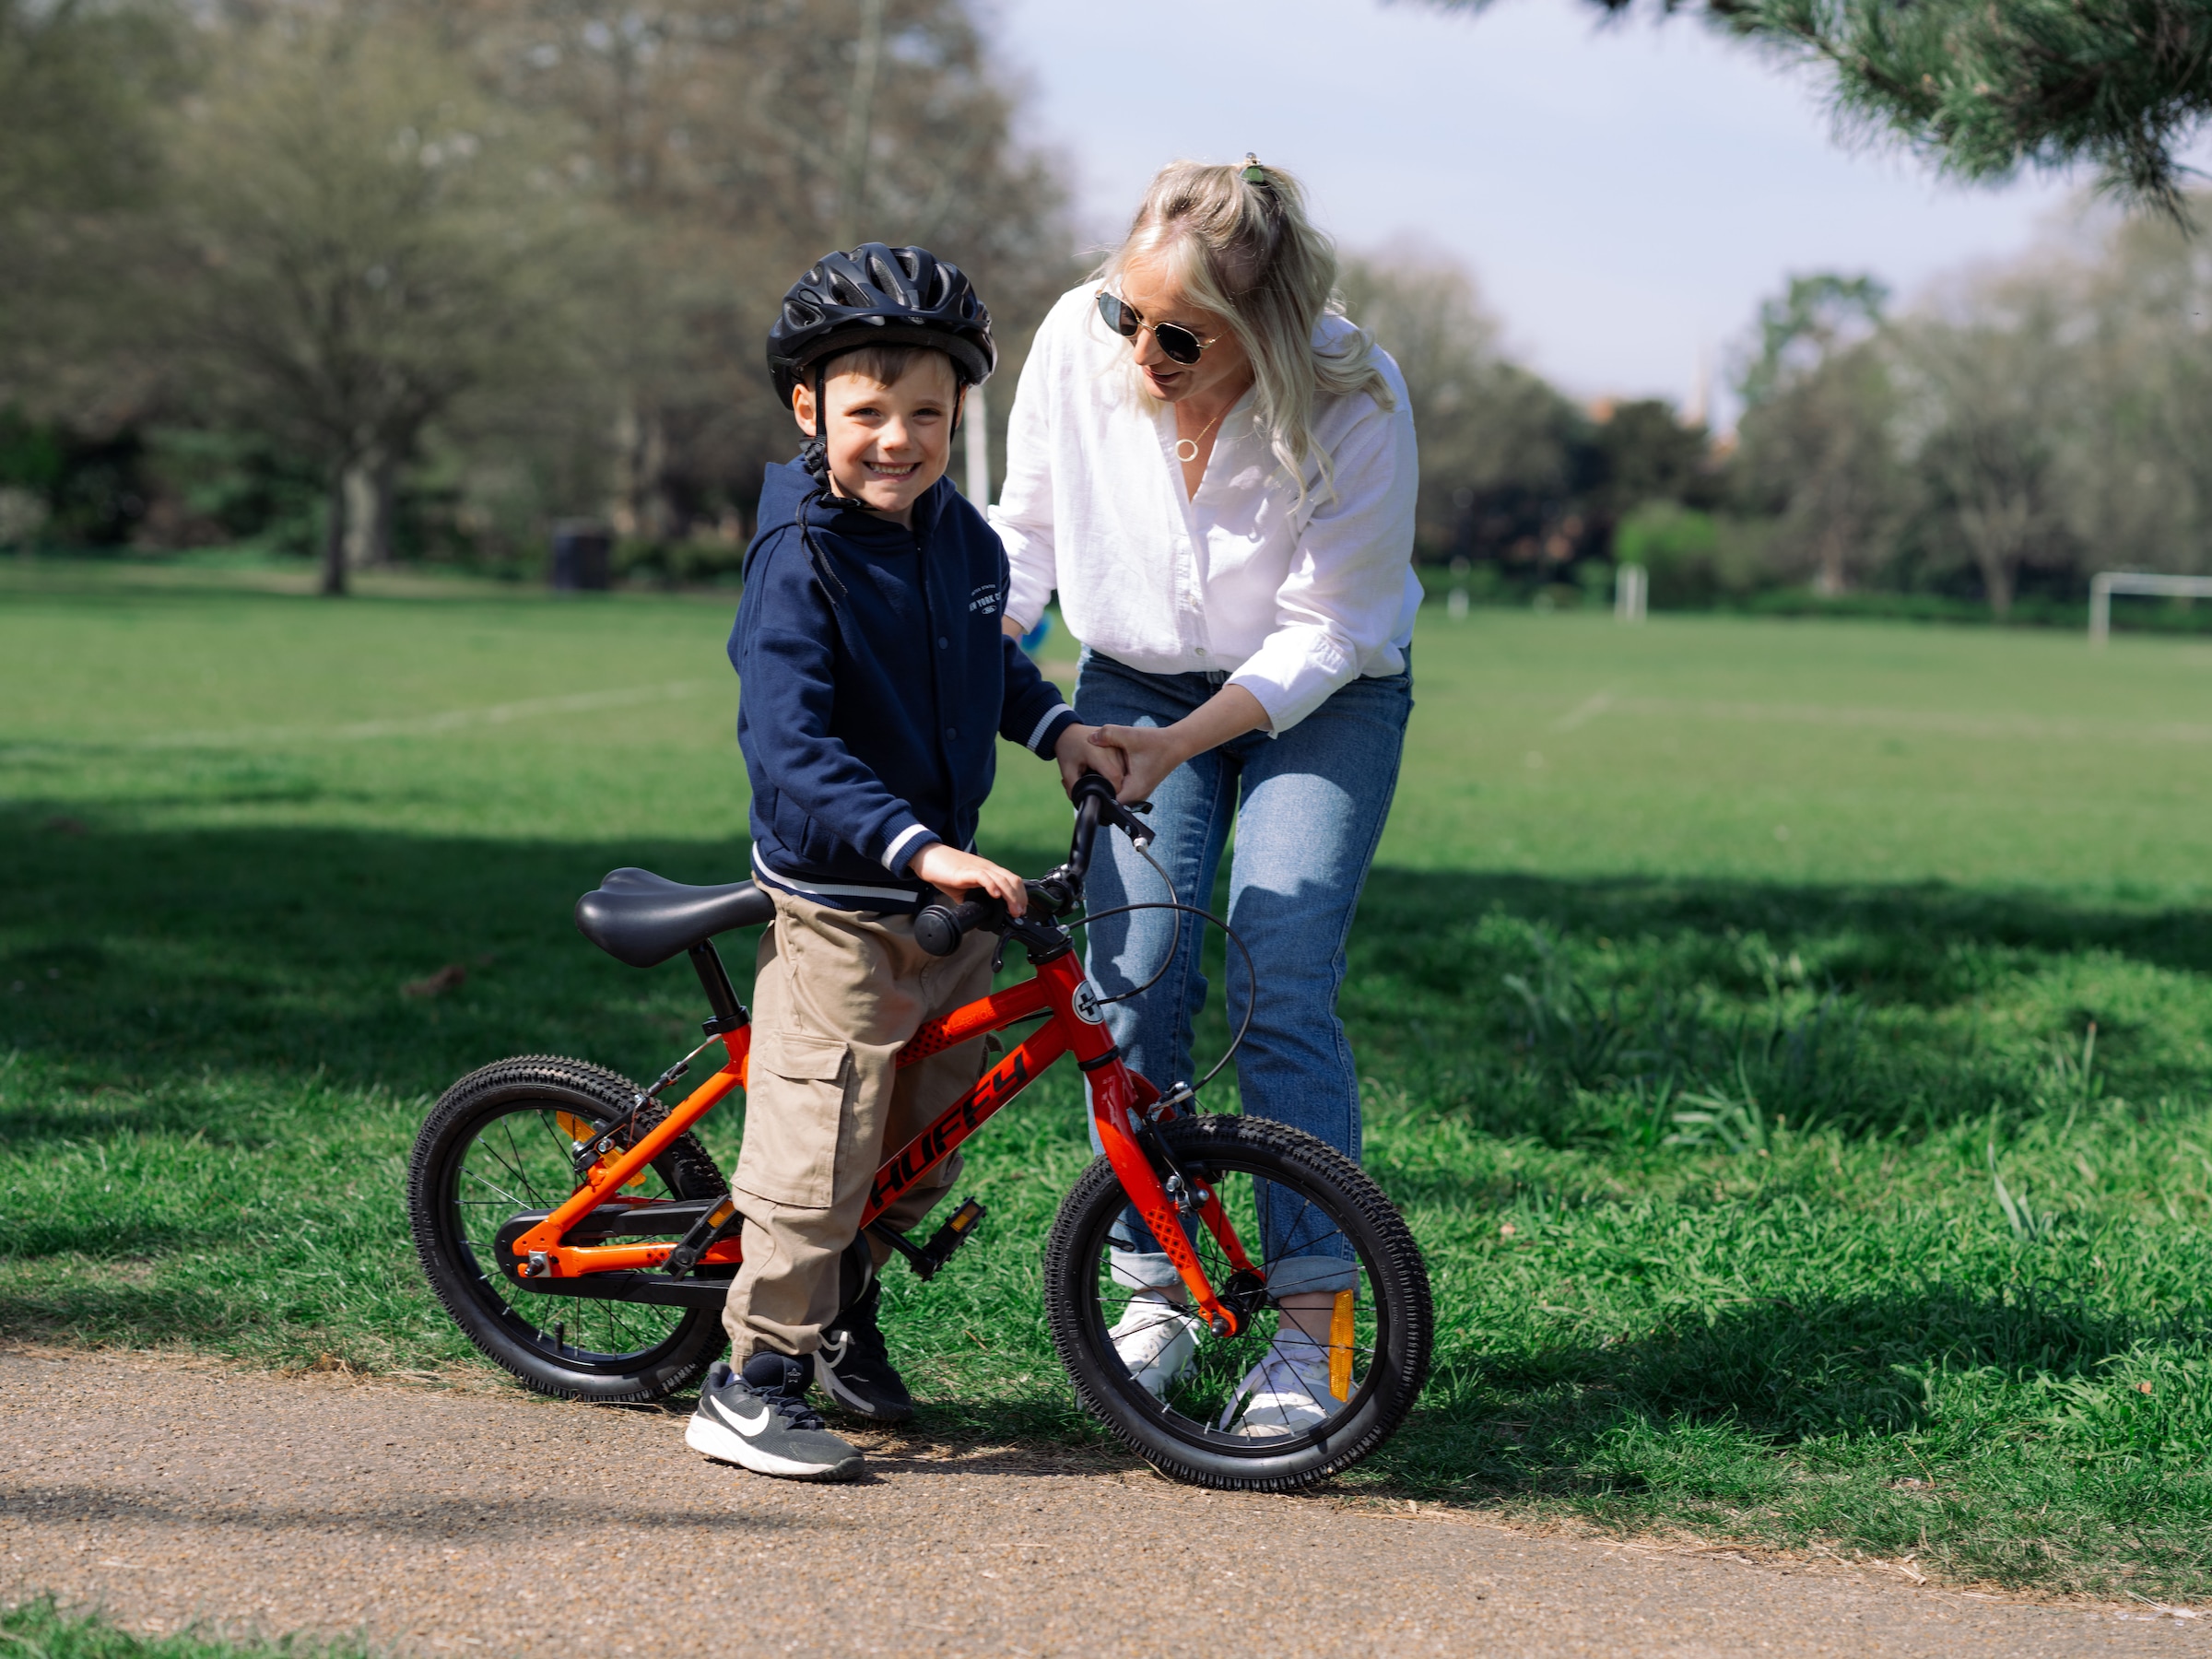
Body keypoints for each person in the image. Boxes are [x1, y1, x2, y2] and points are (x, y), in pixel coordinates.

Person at [991, 158, 1418, 1435]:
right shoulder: (1079, 340)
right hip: (1132, 675)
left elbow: (1333, 627)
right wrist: (976, 655)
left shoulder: (1357, 396)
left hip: (1324, 696)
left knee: (1279, 975)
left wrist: (1183, 743)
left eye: (1180, 335)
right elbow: (1025, 535)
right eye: (1128, 313)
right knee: (1132, 980)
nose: (1140, 350)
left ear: (1265, 330)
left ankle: (1311, 1332)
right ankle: (1158, 1290)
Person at [686, 243, 1123, 1482]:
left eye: (926, 414)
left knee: (926, 1141)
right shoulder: (800, 558)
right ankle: (750, 1381)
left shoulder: (960, 538)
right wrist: (920, 849)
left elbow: (989, 661)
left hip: (942, 889)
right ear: (808, 408)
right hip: (844, 901)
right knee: (822, 1149)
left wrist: (1059, 729)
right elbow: (791, 746)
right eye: (868, 412)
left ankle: (839, 1315)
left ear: (960, 415)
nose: (898, 440)